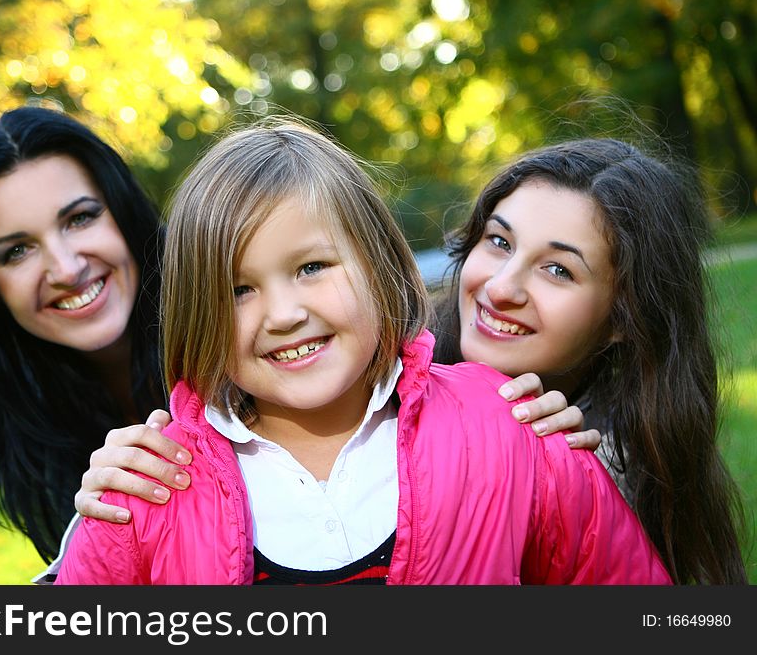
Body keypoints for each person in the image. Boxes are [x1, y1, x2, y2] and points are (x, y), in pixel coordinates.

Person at [54, 119, 671, 585]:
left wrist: (540, 448)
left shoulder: (509, 425)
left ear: (378, 266)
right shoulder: (149, 488)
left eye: (312, 267)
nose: (284, 314)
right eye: (237, 289)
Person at [429, 138, 747, 585]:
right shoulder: (376, 382)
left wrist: (566, 489)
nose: (501, 287)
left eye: (558, 269)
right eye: (499, 241)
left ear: (623, 317)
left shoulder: (620, 471)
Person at [0, 106, 191, 563]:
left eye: (80, 218)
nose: (67, 269)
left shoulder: (230, 335)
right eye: (18, 251)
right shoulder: (28, 419)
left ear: (123, 216)